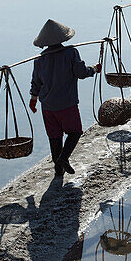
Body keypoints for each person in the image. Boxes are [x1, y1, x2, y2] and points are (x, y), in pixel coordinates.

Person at [28, 19, 100, 180]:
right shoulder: (70, 53)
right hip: (67, 104)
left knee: (54, 137)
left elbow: (36, 83)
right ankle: (63, 157)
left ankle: (58, 170)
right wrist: (94, 69)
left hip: (47, 106)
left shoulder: (39, 60)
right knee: (75, 132)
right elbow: (81, 73)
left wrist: (33, 100)